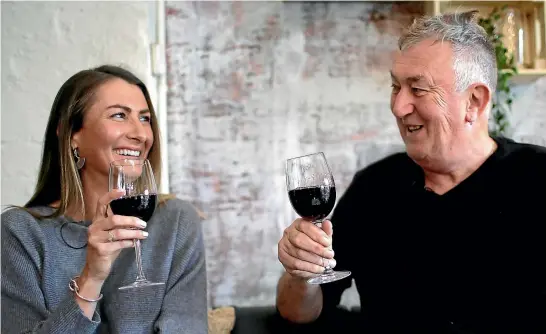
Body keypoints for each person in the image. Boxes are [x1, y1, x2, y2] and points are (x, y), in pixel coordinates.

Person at [276, 10, 546, 333]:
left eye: (417, 89)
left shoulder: (537, 180)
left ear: (474, 102)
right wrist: (300, 275)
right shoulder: (374, 189)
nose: (398, 106)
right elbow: (298, 312)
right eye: (395, 87)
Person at [1, 65, 208, 333]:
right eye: (119, 115)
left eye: (145, 119)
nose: (140, 134)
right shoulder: (20, 232)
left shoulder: (176, 222)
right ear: (72, 134)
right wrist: (91, 277)